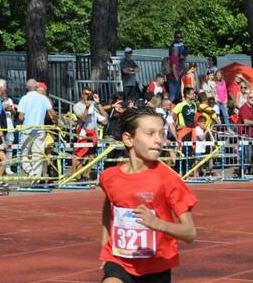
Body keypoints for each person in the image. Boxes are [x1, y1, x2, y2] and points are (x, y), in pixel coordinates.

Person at [99, 107, 197, 283]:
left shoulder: (168, 180)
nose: (158, 140)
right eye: (150, 134)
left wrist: (156, 223)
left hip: (156, 267)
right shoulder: (109, 177)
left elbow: (189, 232)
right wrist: (105, 246)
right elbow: (109, 207)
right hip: (119, 261)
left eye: (161, 134)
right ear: (129, 139)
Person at [17, 79, 57, 181]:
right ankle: (37, 178)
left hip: (27, 130)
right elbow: (53, 113)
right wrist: (56, 123)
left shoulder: (24, 98)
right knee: (37, 155)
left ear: (26, 87)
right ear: (36, 87)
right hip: (40, 130)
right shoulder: (43, 98)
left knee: (23, 154)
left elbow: (21, 117)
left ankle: (31, 172)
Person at [73, 88, 108, 179]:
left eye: (89, 94)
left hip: (93, 135)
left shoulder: (94, 105)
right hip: (82, 134)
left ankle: (85, 175)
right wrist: (87, 108)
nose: (87, 96)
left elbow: (105, 119)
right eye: (85, 94)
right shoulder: (77, 106)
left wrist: (98, 103)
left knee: (91, 157)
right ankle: (77, 177)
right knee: (79, 156)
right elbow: (83, 118)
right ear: (82, 94)